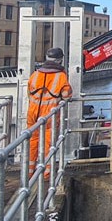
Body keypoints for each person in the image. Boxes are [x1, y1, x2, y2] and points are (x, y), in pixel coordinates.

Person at [27, 47, 73, 178]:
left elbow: (29, 93)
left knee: (32, 141)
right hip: (49, 114)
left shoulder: (35, 74)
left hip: (32, 113)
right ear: (59, 60)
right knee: (49, 143)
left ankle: (29, 172)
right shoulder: (61, 76)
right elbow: (67, 95)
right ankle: (47, 172)